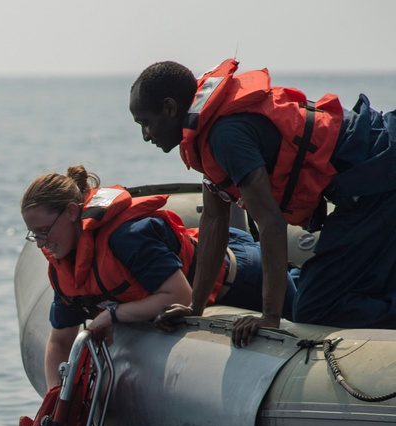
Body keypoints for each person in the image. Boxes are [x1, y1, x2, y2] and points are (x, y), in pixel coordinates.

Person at [130, 59, 396, 346]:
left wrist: (270, 315)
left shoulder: (224, 135)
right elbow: (214, 220)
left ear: (170, 108)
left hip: (379, 176)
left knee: (314, 307)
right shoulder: (204, 134)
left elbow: (270, 221)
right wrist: (196, 306)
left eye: (146, 123)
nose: (145, 136)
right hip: (368, 183)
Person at [20, 165, 283, 391]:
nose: (42, 243)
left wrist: (111, 315)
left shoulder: (127, 237)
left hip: (244, 277)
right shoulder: (63, 266)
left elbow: (180, 296)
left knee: (313, 312)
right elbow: (60, 340)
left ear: (71, 212)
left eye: (44, 231)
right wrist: (56, 402)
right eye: (35, 235)